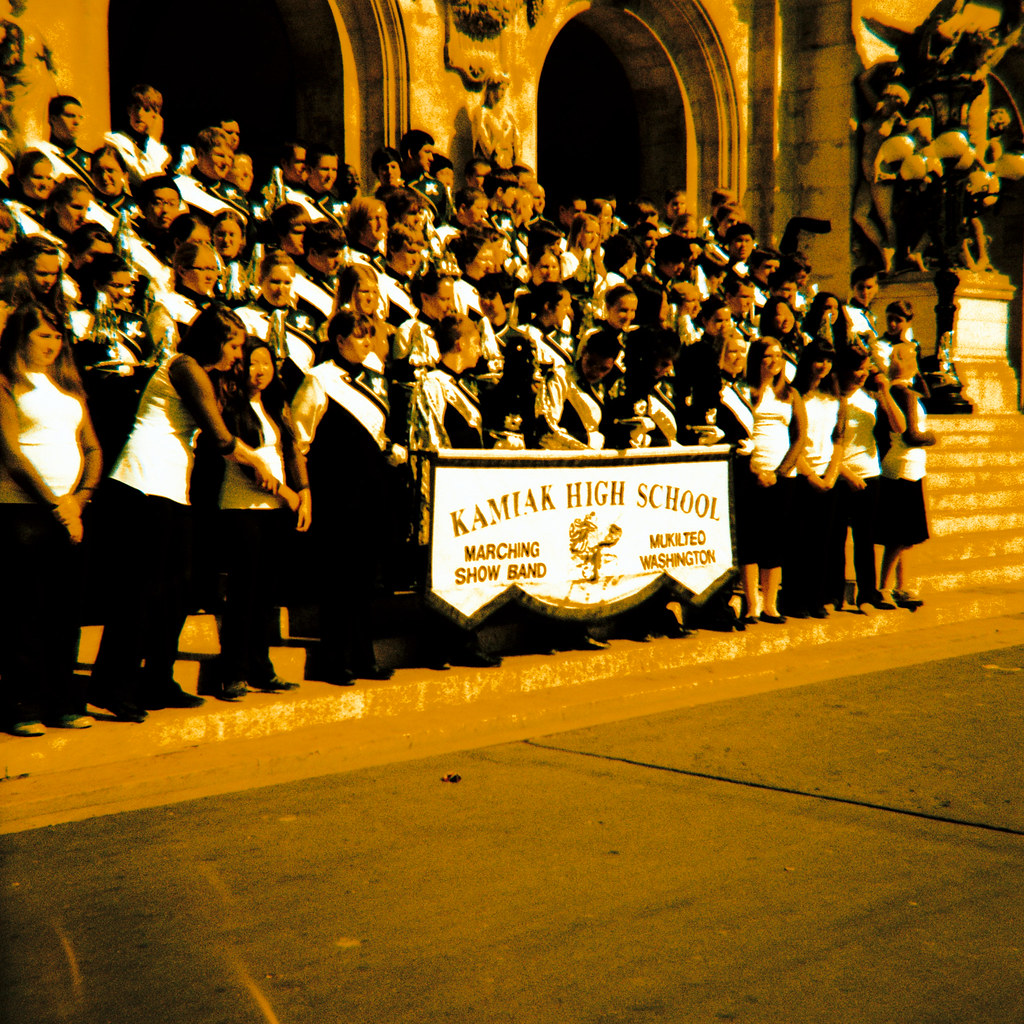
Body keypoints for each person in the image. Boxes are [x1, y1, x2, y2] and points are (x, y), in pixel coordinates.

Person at [88, 303, 278, 722]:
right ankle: (111, 684)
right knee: (140, 591)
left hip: (172, 490)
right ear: (216, 339)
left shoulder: (205, 373)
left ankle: (158, 679)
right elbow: (221, 437)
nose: (238, 357)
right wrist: (260, 464)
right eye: (234, 346)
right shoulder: (185, 366)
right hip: (141, 483)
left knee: (178, 589)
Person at [0, 303, 102, 735]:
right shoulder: (6, 383)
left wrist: (79, 499)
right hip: (23, 511)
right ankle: (21, 703)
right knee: (27, 610)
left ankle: (62, 700)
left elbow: (93, 448)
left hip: (70, 513)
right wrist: (55, 504)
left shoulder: (69, 388)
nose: (53, 343)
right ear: (21, 336)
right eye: (43, 335)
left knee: (65, 610)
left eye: (58, 336)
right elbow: (10, 451)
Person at [291, 309, 405, 684]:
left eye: (370, 336)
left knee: (362, 581)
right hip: (336, 495)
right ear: (339, 340)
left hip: (370, 494)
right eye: (360, 336)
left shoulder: (375, 380)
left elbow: (377, 432)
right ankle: (333, 660)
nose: (367, 343)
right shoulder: (318, 379)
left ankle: (363, 658)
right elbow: (300, 439)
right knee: (337, 582)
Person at [211, 337, 310, 699]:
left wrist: (306, 493)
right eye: (253, 362)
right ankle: (233, 672)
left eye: (266, 362)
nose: (261, 370)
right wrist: (289, 496)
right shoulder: (229, 404)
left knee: (267, 593)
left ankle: (261, 667)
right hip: (243, 508)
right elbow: (253, 468)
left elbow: (291, 450)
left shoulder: (274, 405)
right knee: (244, 591)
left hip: (277, 512)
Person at [832, 343, 905, 612]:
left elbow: (900, 428)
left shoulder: (868, 397)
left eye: (865, 368)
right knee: (836, 539)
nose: (862, 374)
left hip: (870, 473)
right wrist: (846, 474)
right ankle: (834, 593)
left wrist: (884, 391)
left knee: (866, 539)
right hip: (840, 475)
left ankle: (868, 594)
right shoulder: (833, 397)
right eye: (857, 369)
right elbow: (826, 442)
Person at [739, 336, 807, 624]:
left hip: (782, 476)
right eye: (768, 355)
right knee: (750, 539)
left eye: (779, 355)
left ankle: (771, 604)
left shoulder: (790, 394)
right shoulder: (744, 390)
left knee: (774, 540)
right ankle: (752, 604)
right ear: (756, 358)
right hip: (751, 473)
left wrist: (779, 473)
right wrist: (756, 471)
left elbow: (800, 436)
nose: (774, 361)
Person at [785, 338, 845, 619]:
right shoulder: (793, 395)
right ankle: (795, 599)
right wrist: (810, 475)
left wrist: (831, 474)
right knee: (798, 540)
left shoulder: (834, 398)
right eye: (819, 359)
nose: (824, 366)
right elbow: (791, 439)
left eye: (829, 361)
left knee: (823, 541)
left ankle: (816, 597)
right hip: (800, 476)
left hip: (828, 477)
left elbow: (839, 439)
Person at [877, 342, 936, 609]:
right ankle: (886, 586)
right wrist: (932, 437)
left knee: (905, 535)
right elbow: (911, 434)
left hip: (901, 465)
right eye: (913, 356)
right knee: (900, 535)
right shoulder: (906, 394)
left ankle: (901, 585)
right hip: (905, 467)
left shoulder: (896, 391)